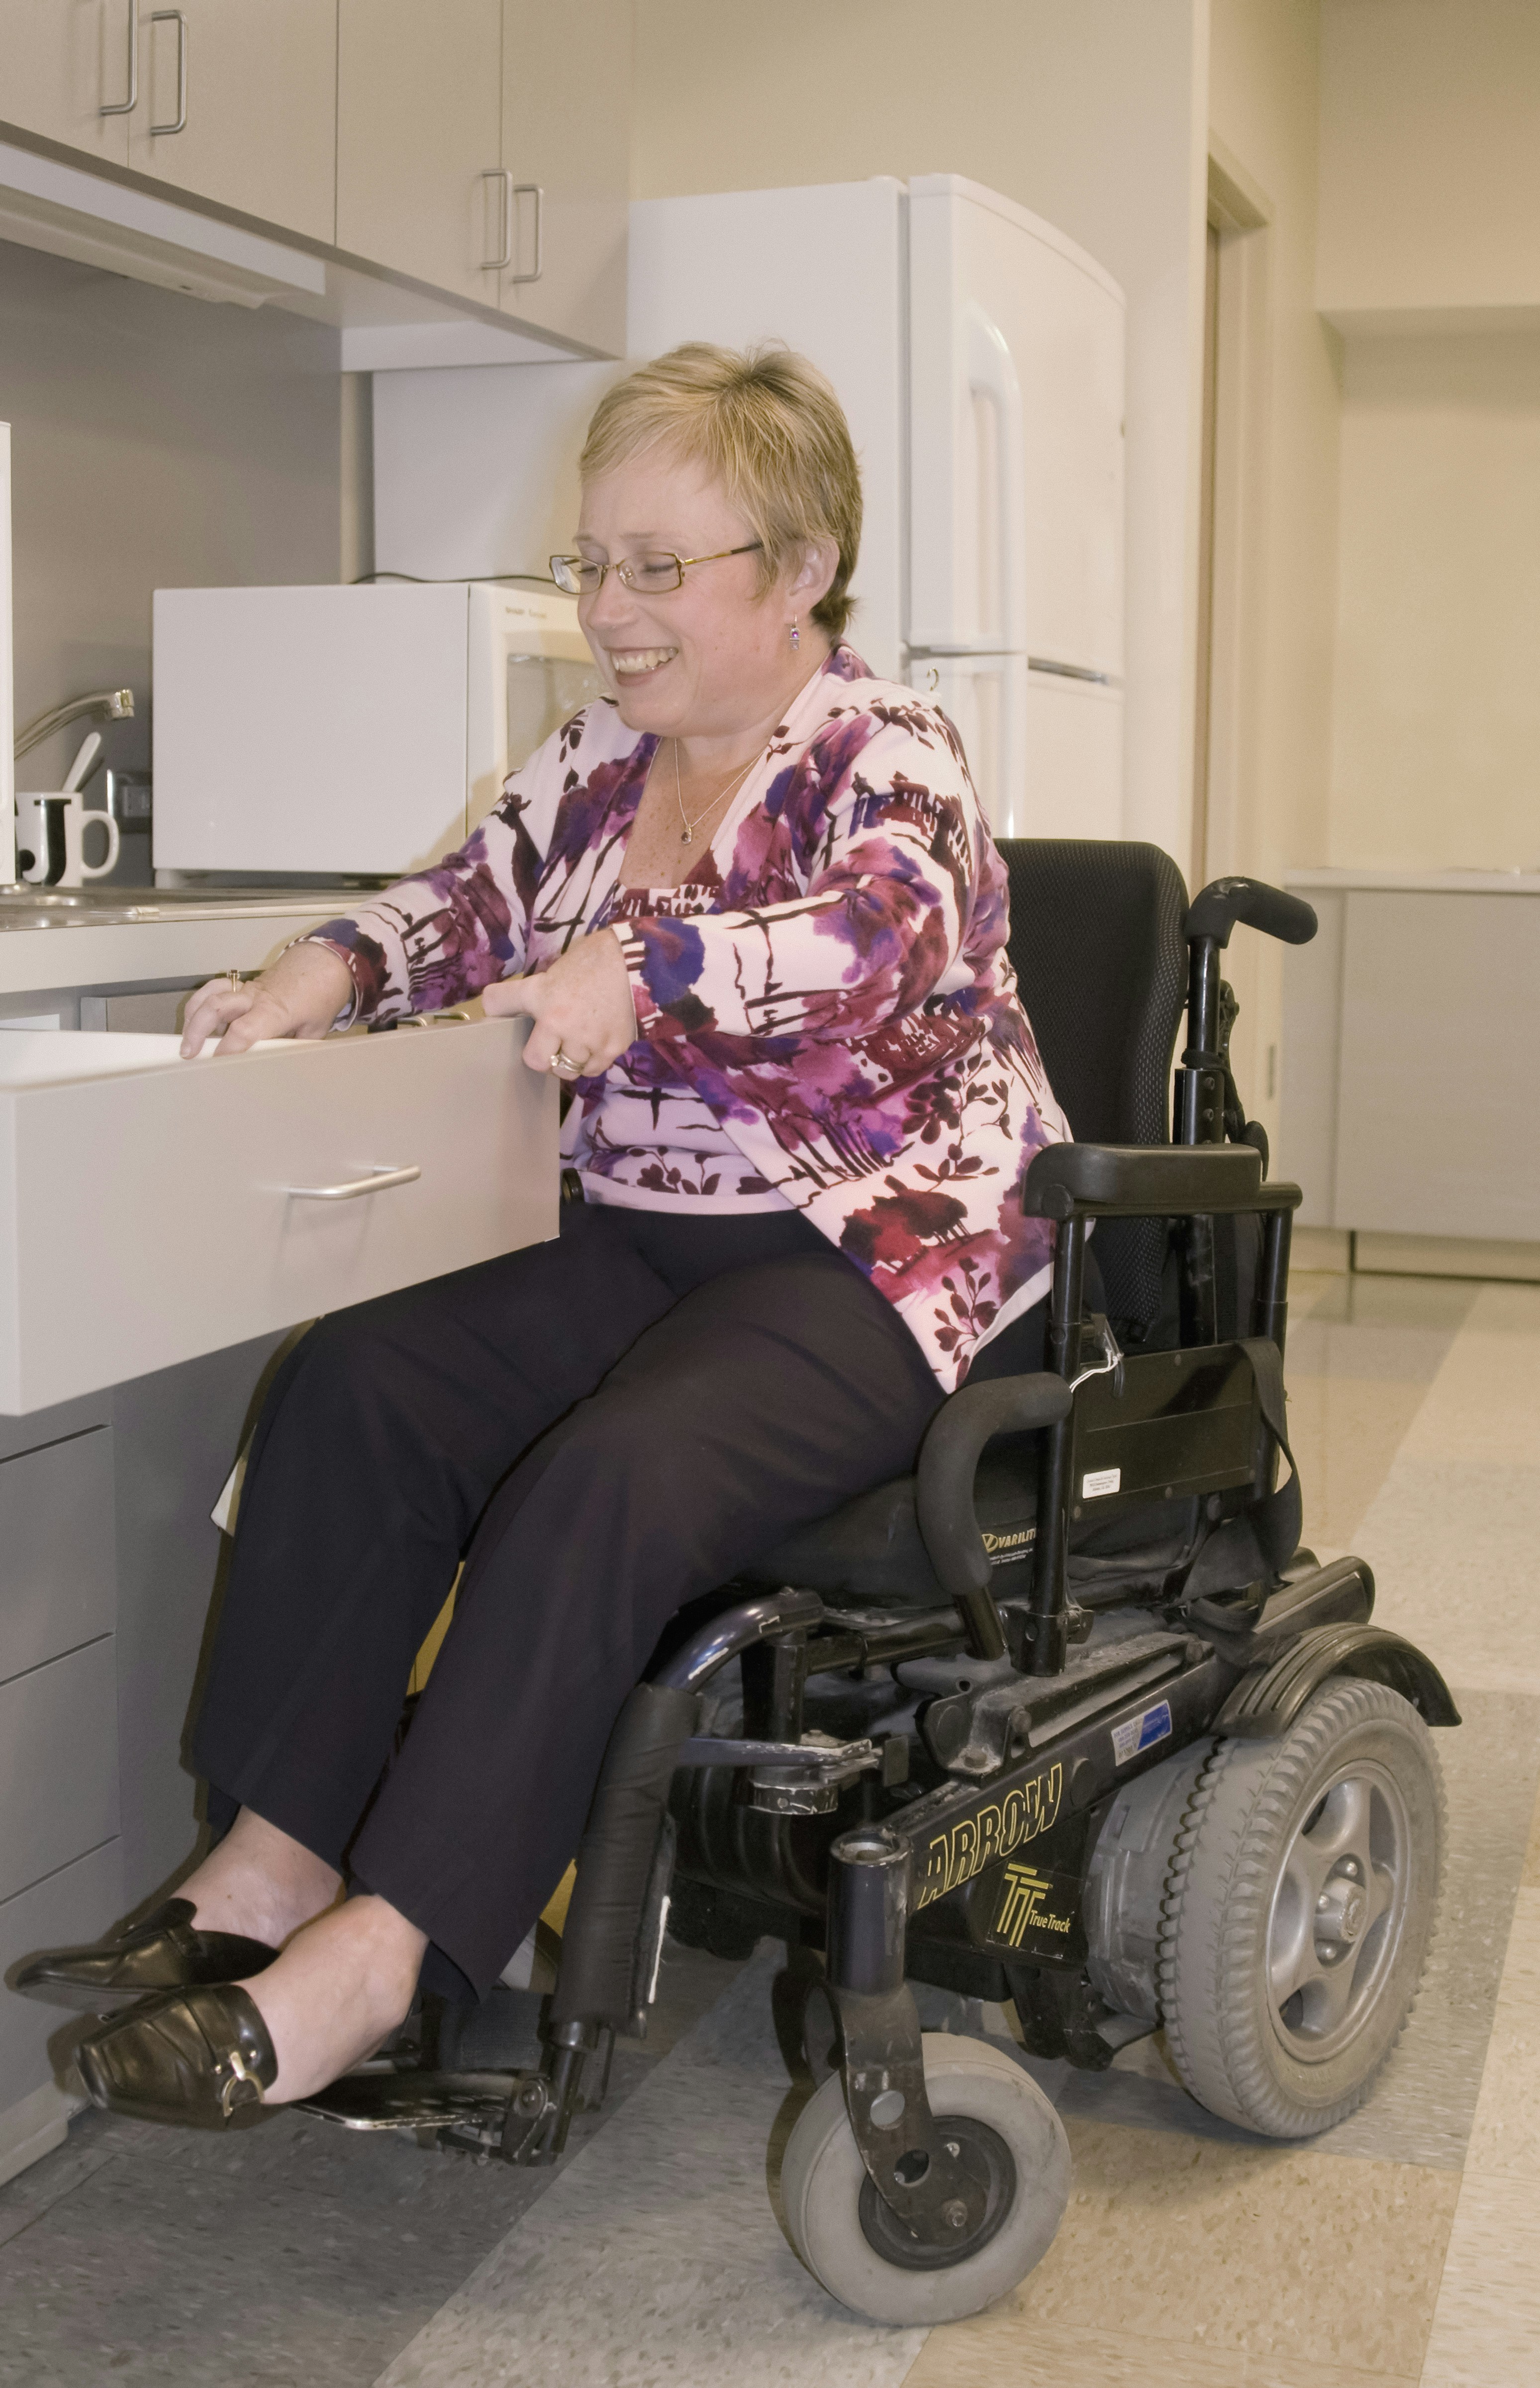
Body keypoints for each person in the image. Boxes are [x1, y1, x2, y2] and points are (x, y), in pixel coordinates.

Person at [20, 344, 1071, 2129]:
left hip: (874, 1263)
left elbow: (866, 947)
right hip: (646, 1235)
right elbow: (465, 899)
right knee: (361, 1386)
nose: (611, 611)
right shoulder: (598, 756)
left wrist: (648, 959)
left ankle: (386, 1961)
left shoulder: (892, 754)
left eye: (660, 567)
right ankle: (270, 1870)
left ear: (802, 564)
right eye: (593, 564)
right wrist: (328, 969)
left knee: (608, 1481)